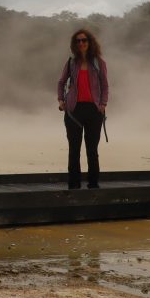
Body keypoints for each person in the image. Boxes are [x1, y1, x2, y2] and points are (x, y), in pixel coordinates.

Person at [56, 29, 109, 190]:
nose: (81, 43)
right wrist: (61, 100)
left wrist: (103, 104)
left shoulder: (99, 63)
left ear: (90, 42)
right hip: (74, 111)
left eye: (84, 40)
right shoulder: (71, 62)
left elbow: (105, 85)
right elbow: (61, 82)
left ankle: (93, 184)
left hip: (94, 111)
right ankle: (74, 185)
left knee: (92, 150)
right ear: (75, 44)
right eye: (78, 41)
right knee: (74, 149)